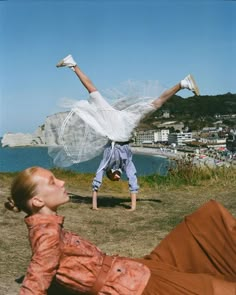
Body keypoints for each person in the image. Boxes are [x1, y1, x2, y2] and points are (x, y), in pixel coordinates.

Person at [5, 166, 236, 294]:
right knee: (213, 287)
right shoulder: (47, 234)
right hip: (134, 287)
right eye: (53, 182)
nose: (63, 182)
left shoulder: (47, 228)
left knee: (206, 223)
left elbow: (55, 267)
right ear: (37, 201)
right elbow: (36, 279)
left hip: (131, 271)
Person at [46, 54, 200, 211]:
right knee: (155, 104)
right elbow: (132, 178)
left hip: (113, 121)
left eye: (113, 178)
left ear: (110, 174)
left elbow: (97, 179)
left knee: (93, 91)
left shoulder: (106, 161)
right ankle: (183, 83)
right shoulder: (126, 161)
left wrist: (94, 205)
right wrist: (133, 206)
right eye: (117, 179)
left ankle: (73, 65)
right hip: (127, 123)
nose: (117, 178)